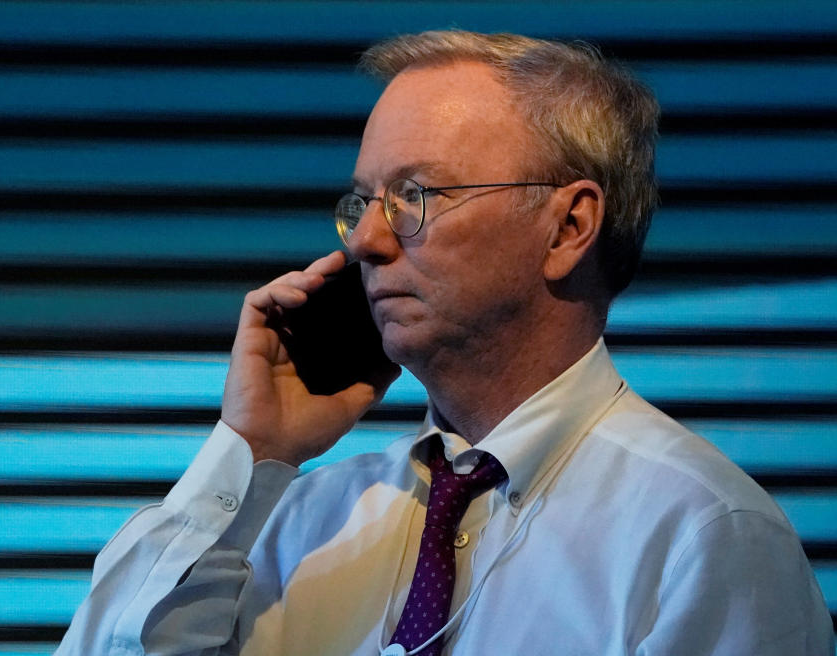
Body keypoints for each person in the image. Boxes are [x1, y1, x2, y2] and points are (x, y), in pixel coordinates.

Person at [57, 31, 833, 655]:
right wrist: (250, 454)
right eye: (360, 201)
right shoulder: (305, 517)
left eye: (415, 195)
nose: (363, 240)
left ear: (567, 227)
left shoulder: (698, 533)